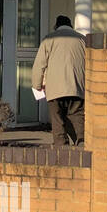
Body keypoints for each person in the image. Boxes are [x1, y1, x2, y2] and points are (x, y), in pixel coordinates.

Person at [32, 15, 85, 147]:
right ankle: (82, 142)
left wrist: (37, 85)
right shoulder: (82, 40)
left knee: (57, 118)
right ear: (71, 25)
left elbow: (39, 65)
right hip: (77, 87)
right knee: (77, 115)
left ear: (56, 26)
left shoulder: (49, 39)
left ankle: (61, 145)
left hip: (55, 88)